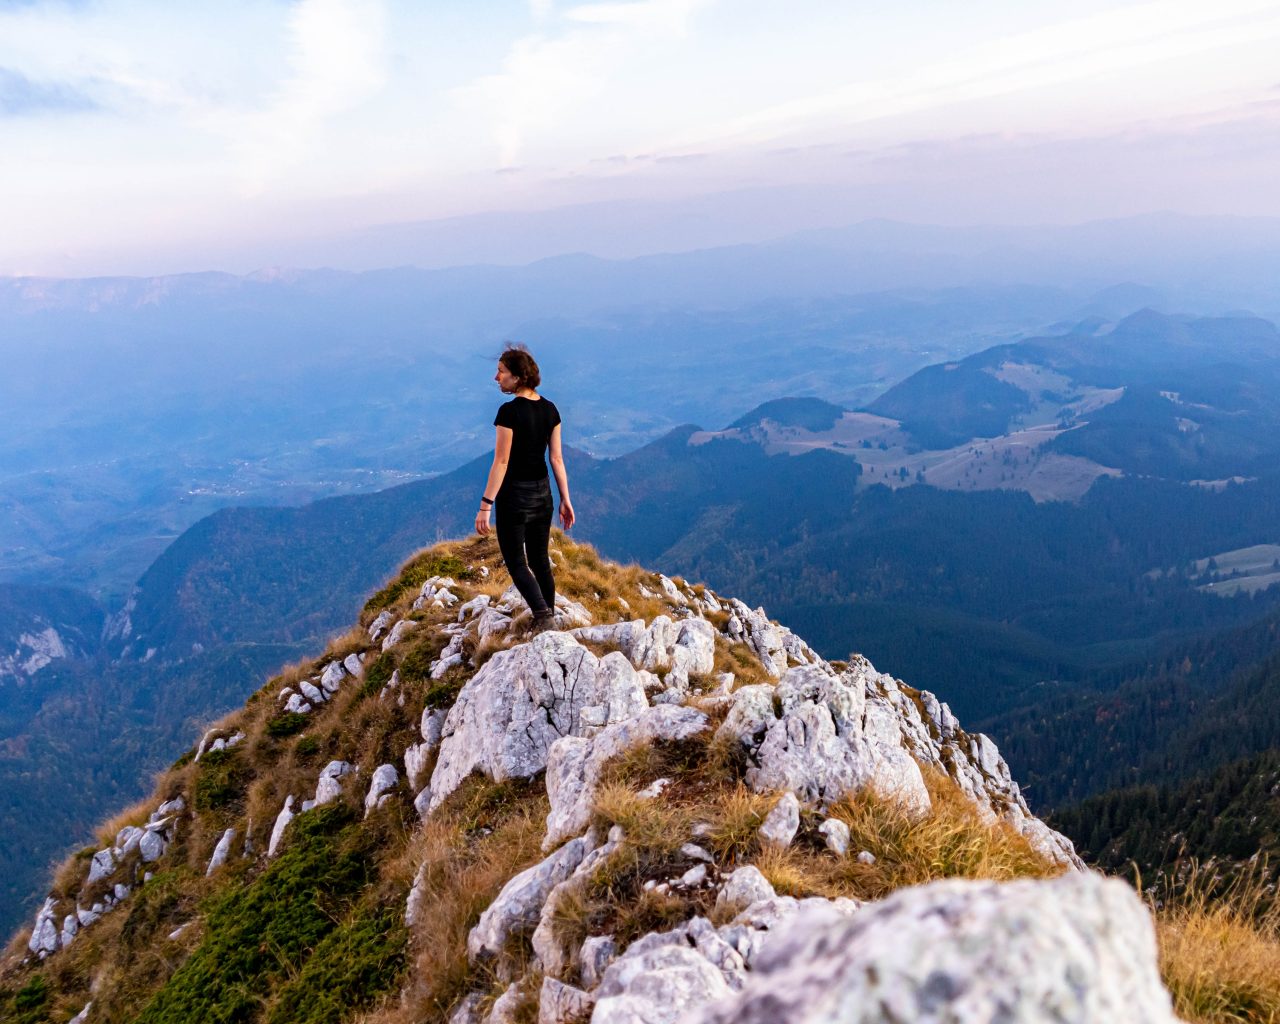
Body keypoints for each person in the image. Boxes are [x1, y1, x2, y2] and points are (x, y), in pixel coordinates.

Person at [475, 345, 575, 633]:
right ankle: (549, 613)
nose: (497, 378)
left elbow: (502, 461)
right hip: (543, 494)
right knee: (540, 559)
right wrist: (565, 499)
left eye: (502, 372)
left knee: (518, 563)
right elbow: (556, 458)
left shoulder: (509, 413)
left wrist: (485, 505)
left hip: (514, 497)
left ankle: (543, 616)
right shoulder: (550, 409)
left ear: (518, 377)